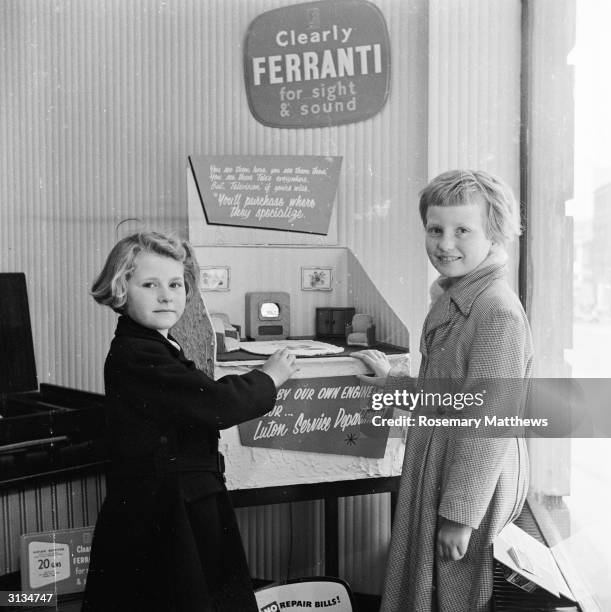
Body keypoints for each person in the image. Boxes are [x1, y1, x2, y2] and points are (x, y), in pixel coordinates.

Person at [83, 231, 298, 612]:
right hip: (164, 511)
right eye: (150, 284)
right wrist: (269, 376)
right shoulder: (137, 354)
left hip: (179, 501)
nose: (166, 295)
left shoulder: (158, 345)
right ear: (121, 289)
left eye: (175, 284)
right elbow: (215, 403)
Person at [354, 170, 533, 612]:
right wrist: (393, 385)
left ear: (493, 235)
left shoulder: (495, 311)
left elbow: (487, 421)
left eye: (462, 231)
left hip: (464, 483)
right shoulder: (458, 297)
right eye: (435, 229)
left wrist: (459, 516)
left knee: (452, 596)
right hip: (441, 467)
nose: (444, 244)